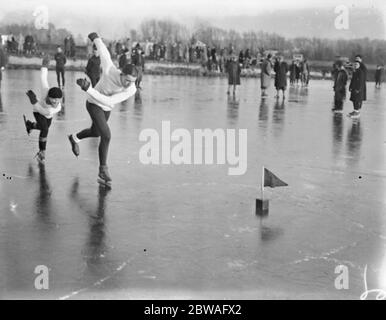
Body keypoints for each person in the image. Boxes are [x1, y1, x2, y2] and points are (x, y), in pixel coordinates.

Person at [68, 32, 137, 187]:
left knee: (96, 132)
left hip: (105, 105)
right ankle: (103, 169)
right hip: (93, 103)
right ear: (122, 73)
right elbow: (104, 52)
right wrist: (96, 38)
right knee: (106, 135)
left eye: (132, 81)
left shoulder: (131, 89)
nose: (128, 84)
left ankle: (74, 138)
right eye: (127, 80)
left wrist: (88, 88)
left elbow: (110, 100)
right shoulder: (110, 70)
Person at [23, 59, 63, 163]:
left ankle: (30, 125)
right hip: (37, 111)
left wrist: (33, 101)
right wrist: (44, 66)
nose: (55, 101)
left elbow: (46, 112)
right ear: (48, 96)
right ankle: (42, 152)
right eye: (52, 99)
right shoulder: (46, 90)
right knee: (45, 129)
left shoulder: (57, 108)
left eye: (57, 100)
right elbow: (43, 78)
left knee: (43, 127)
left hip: (45, 113)